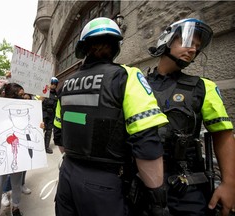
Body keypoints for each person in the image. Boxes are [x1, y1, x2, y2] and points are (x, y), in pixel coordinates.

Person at [53, 17, 169, 216]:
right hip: (104, 186)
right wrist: (158, 202)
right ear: (116, 47)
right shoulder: (126, 77)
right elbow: (147, 144)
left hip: (67, 177)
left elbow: (59, 138)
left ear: (83, 48)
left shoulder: (66, 86)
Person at [146, 18, 235, 216]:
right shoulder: (138, 84)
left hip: (184, 188)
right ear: (167, 40)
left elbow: (223, 135)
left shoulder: (203, 87)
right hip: (140, 183)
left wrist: (230, 183)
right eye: (187, 41)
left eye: (197, 46)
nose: (193, 49)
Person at [0, 83, 27, 216]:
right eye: (21, 95)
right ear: (12, 95)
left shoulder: (25, 109)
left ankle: (16, 207)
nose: (25, 97)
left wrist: (39, 126)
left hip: (18, 152)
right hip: (1, 152)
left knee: (16, 182)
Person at [42, 77, 58, 154]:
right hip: (43, 114)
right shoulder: (44, 92)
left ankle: (46, 147)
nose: (53, 85)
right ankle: (39, 146)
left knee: (48, 132)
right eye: (52, 84)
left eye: (55, 84)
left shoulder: (56, 95)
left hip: (51, 116)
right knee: (41, 130)